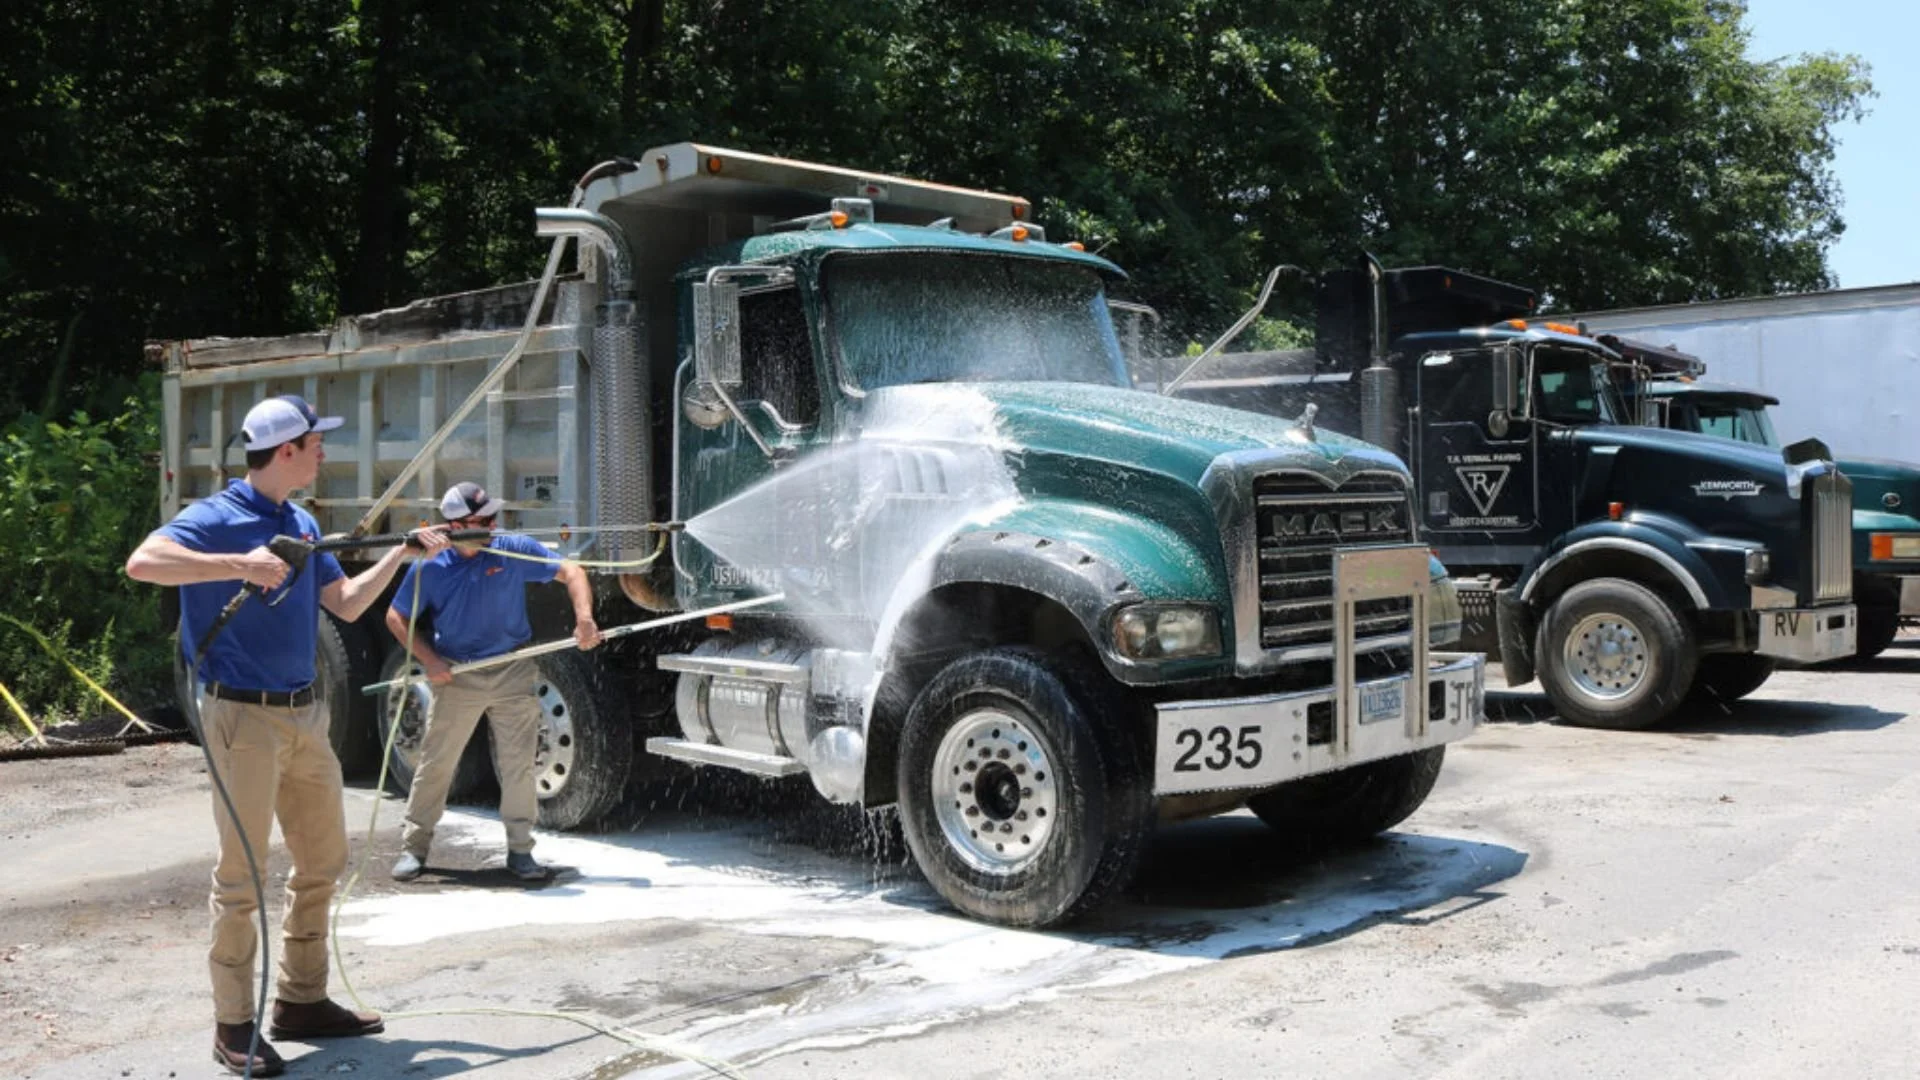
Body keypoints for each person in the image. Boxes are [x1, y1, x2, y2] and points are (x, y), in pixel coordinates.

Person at [124, 393, 450, 1077]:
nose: (324, 451)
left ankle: (301, 1001)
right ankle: (233, 1026)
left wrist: (401, 555)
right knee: (241, 879)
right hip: (241, 716)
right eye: (315, 442)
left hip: (306, 715)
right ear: (286, 451)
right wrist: (239, 565)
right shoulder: (216, 517)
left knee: (323, 863)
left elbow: (348, 602)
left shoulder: (298, 520)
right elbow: (143, 564)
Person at [386, 481, 603, 884]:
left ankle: (521, 851)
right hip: (457, 673)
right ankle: (414, 848)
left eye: (491, 518)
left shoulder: (511, 548)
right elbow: (396, 618)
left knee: (519, 765)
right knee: (437, 764)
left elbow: (571, 571)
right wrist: (430, 662)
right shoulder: (430, 566)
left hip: (511, 669)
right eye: (481, 520)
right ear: (455, 526)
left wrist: (584, 618)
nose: (491, 525)